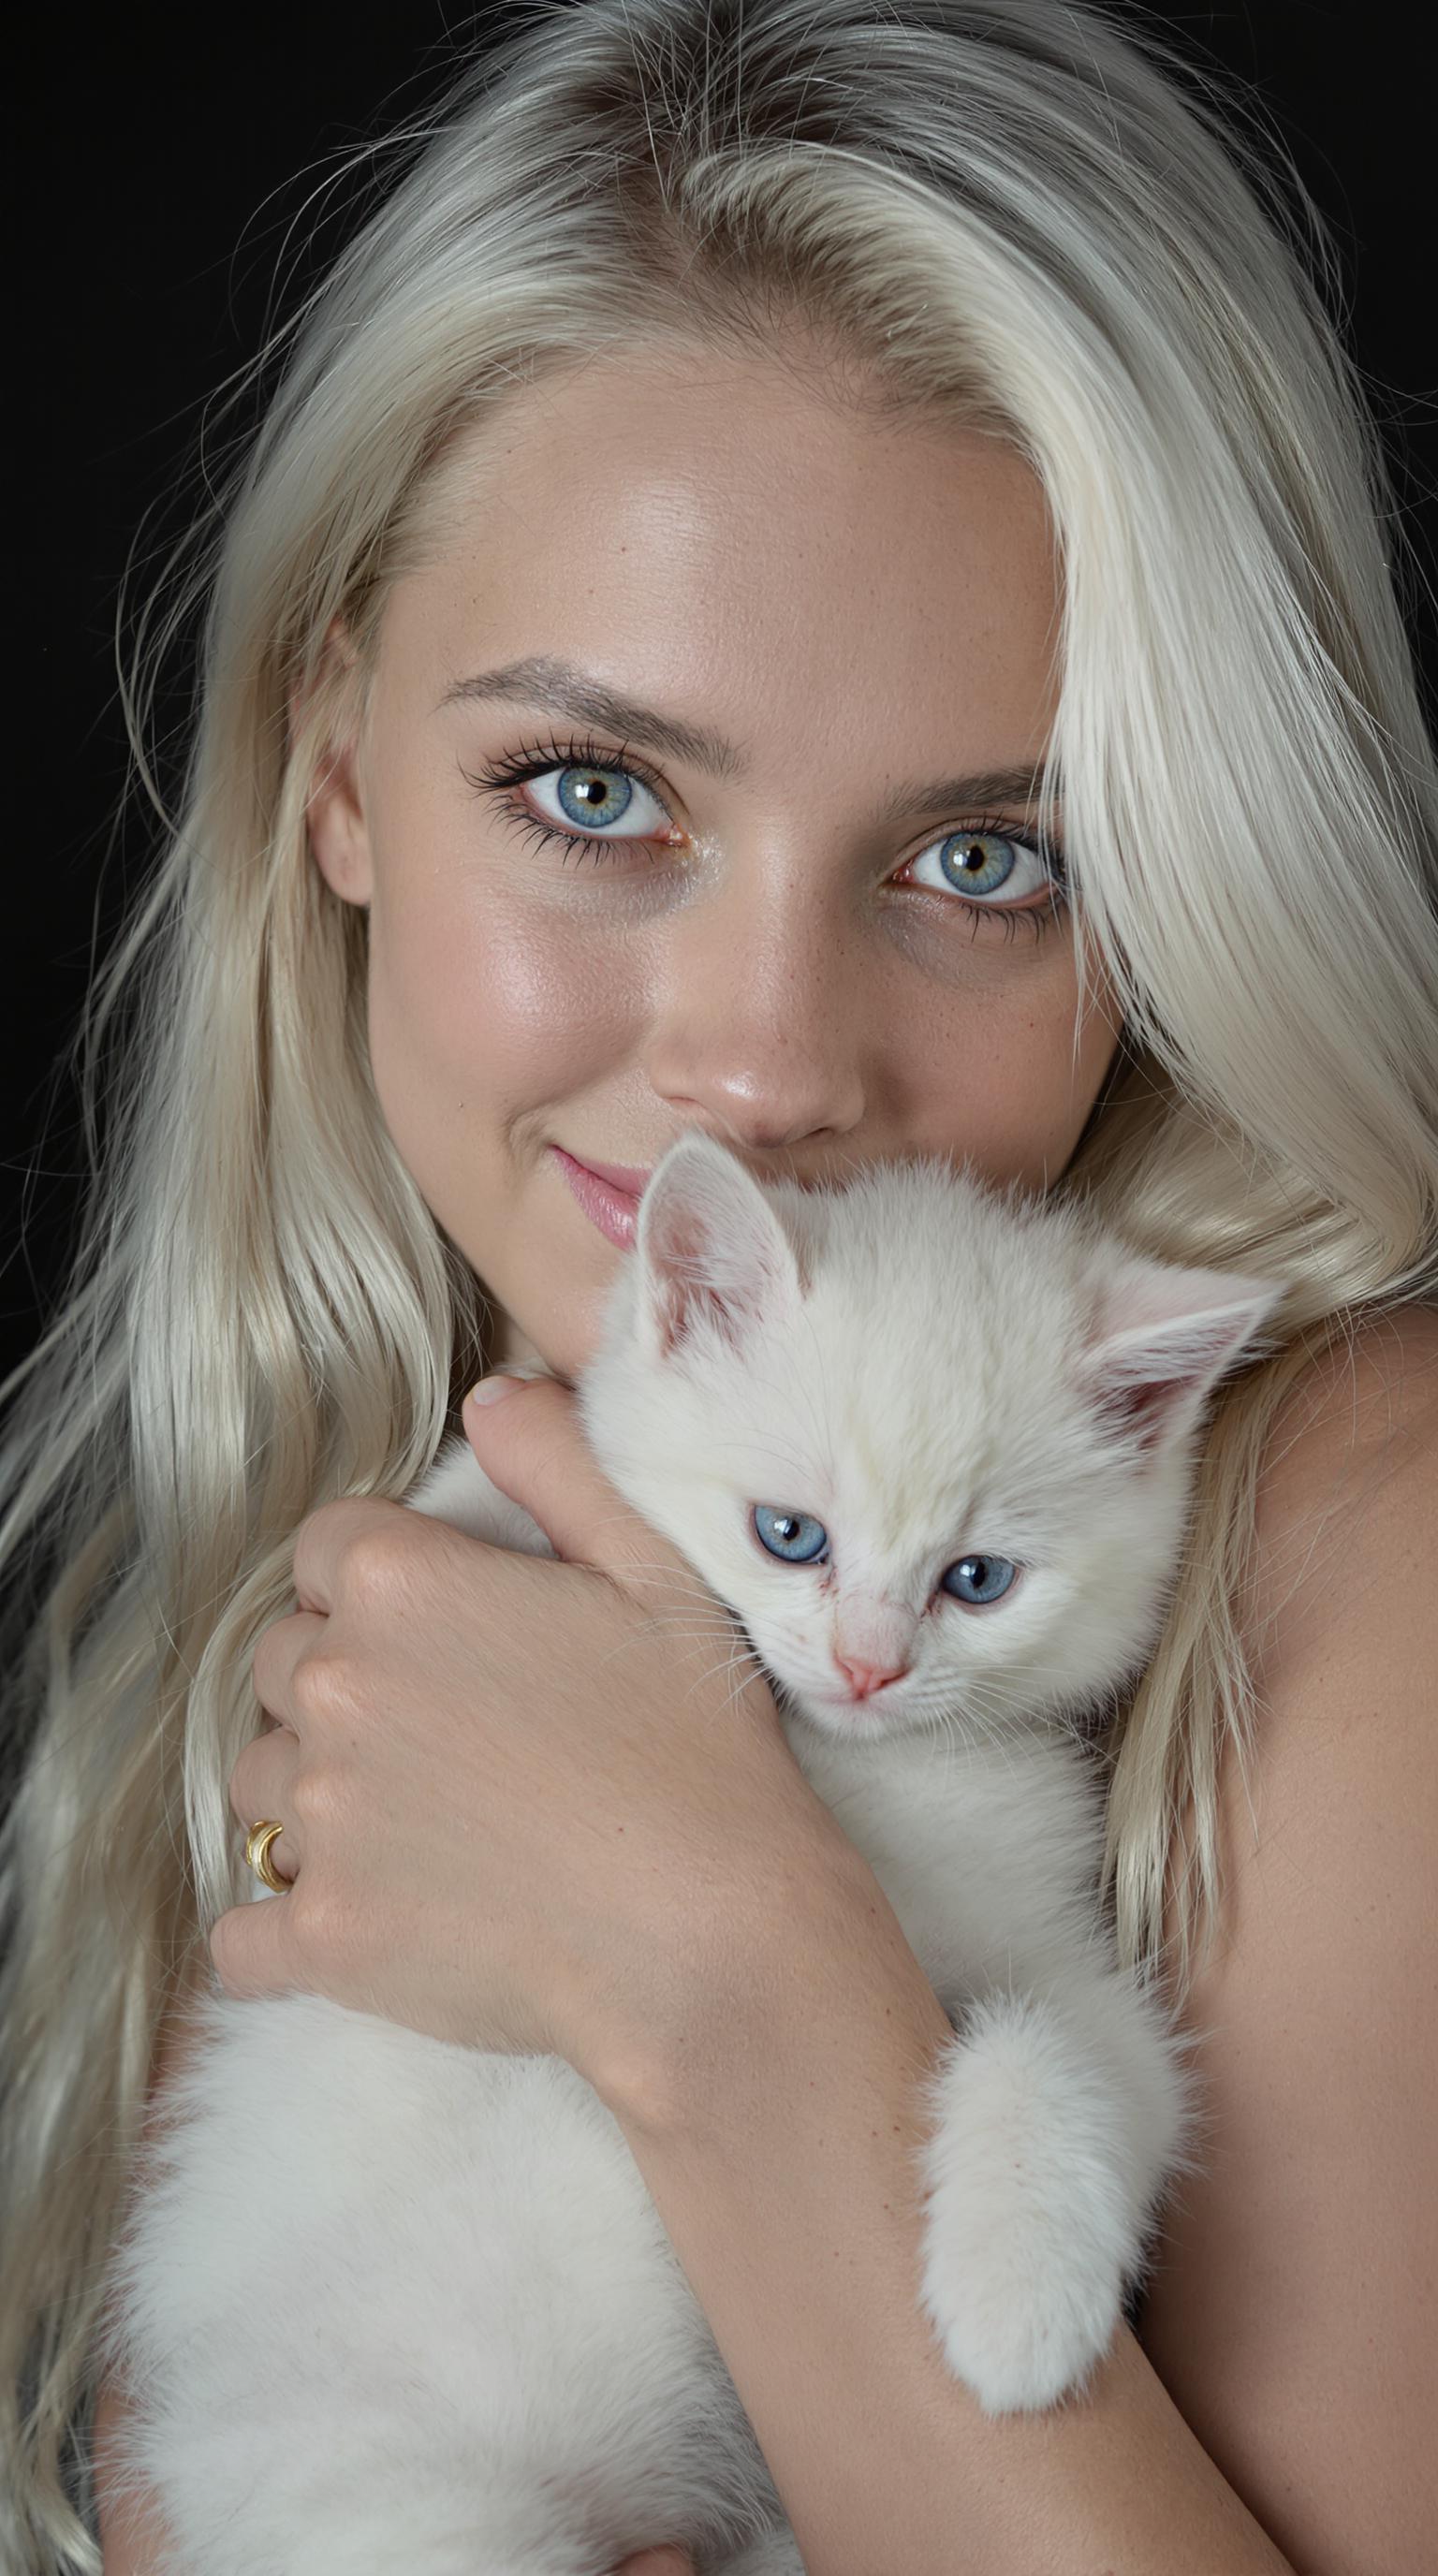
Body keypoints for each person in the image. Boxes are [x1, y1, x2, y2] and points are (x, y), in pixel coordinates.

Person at [2, 0, 1434, 2569]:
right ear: (332, 769)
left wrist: (717, 1954)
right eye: (597, 793)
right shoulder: (375, 1543)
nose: (765, 1072)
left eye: (990, 858)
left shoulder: (1363, 1513)